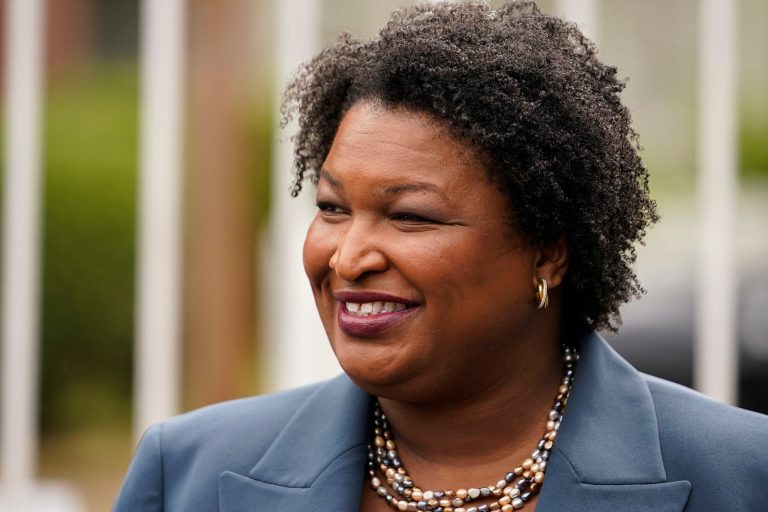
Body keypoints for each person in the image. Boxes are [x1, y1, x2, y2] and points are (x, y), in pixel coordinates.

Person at [114, 2, 768, 511]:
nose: (349, 257)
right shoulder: (189, 473)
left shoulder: (740, 476)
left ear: (548, 253)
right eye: (333, 207)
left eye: (409, 216)